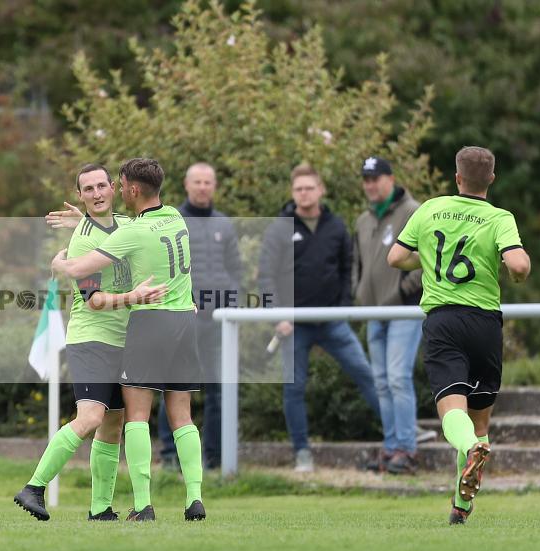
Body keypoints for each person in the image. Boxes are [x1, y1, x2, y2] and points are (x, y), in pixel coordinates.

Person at [52, 157, 206, 522]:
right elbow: (120, 228)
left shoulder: (133, 232)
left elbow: (78, 269)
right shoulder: (175, 217)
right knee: (182, 417)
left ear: (133, 189)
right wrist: (85, 220)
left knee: (136, 416)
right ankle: (195, 500)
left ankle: (143, 505)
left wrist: (60, 264)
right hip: (186, 320)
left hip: (151, 322)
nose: (117, 191)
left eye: (119, 185)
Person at [13, 163, 166, 522]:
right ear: (80, 195)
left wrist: (81, 219)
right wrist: (135, 297)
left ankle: (100, 509)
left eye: (101, 186)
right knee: (91, 417)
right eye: (88, 189)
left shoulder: (128, 225)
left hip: (123, 341)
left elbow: (141, 228)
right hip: (91, 340)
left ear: (114, 189)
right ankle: (34, 487)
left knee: (113, 425)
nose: (96, 193)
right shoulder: (82, 240)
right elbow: (94, 300)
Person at [388, 146, 530, 524]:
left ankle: (469, 449)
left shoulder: (430, 209)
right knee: (480, 422)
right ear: (492, 180)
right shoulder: (500, 217)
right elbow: (517, 264)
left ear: (457, 178)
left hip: (443, 322)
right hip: (485, 325)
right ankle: (461, 507)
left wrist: (430, 257)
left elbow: (395, 258)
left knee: (453, 410)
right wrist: (517, 271)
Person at [259, 162, 382, 472]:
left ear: (321, 190)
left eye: (309, 188)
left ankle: (397, 436)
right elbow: (266, 277)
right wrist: (277, 317)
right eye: (298, 189)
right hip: (293, 326)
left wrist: (341, 308)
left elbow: (347, 269)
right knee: (294, 388)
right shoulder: (279, 228)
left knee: (365, 373)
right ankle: (302, 452)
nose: (304, 193)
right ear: (292, 192)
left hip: (332, 323)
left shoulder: (337, 226)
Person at [157, 162, 242, 470]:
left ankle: (216, 459)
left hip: (218, 322)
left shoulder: (224, 224)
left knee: (219, 389)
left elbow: (235, 271)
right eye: (198, 182)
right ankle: (169, 458)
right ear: (187, 184)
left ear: (214, 185)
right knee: (174, 387)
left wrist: (231, 305)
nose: (203, 187)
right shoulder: (172, 221)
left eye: (208, 181)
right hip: (183, 319)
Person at [352, 156, 430, 476]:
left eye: (376, 178)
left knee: (397, 378)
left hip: (404, 309)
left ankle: (407, 449)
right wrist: (359, 295)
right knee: (382, 382)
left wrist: (400, 293)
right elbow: (358, 265)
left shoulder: (413, 212)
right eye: (366, 179)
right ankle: (390, 447)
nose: (371, 185)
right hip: (374, 311)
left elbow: (426, 261)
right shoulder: (363, 220)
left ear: (391, 179)